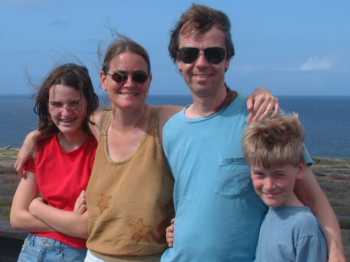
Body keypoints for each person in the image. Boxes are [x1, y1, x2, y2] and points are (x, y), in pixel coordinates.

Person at [15, 36, 278, 261]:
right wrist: (35, 136)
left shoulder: (166, 121)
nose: (129, 83)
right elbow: (68, 117)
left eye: (138, 77)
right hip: (95, 255)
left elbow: (208, 116)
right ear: (103, 80)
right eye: (120, 76)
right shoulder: (98, 123)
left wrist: (256, 96)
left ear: (149, 81)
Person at [160, 4, 345, 262]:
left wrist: (336, 252)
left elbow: (312, 196)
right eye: (189, 54)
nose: (201, 63)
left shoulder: (261, 117)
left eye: (213, 54)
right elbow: (194, 198)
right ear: (178, 62)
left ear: (227, 61)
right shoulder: (172, 130)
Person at [10, 63, 99, 261]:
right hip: (31, 251)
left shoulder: (99, 151)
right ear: (47, 106)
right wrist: (69, 222)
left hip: (73, 255)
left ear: (88, 103)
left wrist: (37, 208)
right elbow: (16, 218)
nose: (65, 113)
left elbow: (86, 228)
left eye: (74, 103)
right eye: (57, 104)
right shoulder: (39, 147)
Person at [244, 114, 328, 261]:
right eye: (259, 174)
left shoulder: (304, 226)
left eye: (279, 175)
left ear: (300, 170)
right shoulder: (272, 212)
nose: (269, 186)